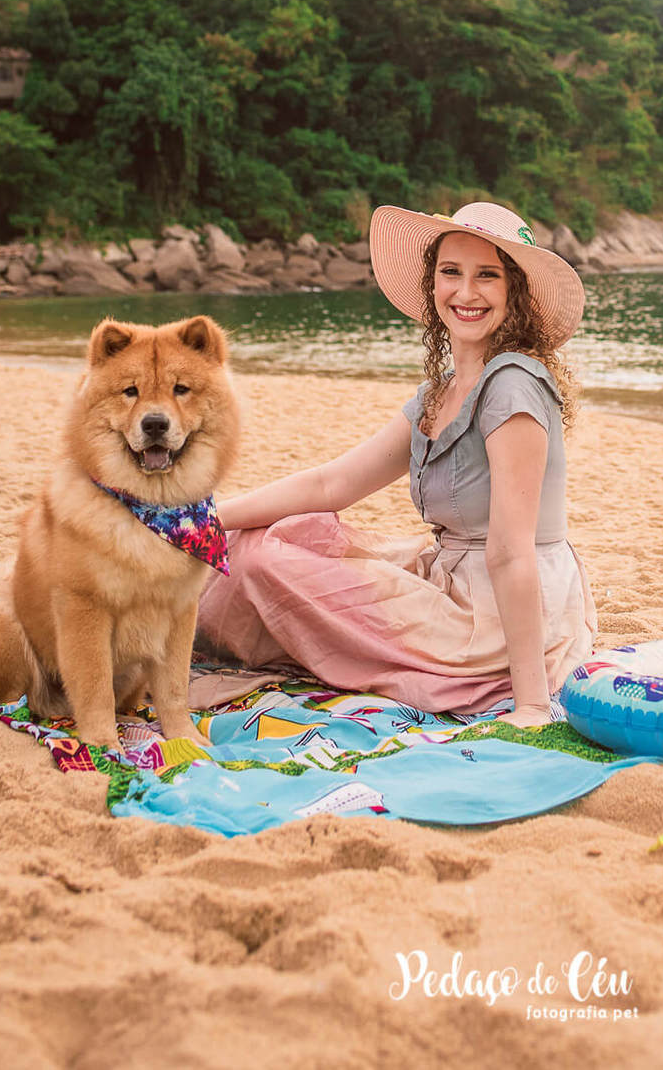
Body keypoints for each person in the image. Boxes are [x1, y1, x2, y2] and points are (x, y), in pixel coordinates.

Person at [196, 202, 597, 726]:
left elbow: (510, 552)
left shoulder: (513, 384)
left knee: (263, 562)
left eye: (488, 277)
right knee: (258, 541)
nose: (466, 292)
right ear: (432, 285)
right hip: (450, 580)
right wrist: (201, 517)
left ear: (514, 292)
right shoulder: (440, 392)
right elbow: (333, 483)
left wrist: (532, 706)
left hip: (503, 613)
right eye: (450, 272)